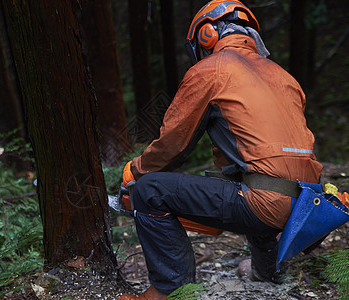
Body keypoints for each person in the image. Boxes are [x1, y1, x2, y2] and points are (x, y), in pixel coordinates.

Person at [118, 1, 323, 299]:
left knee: (149, 190)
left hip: (266, 203)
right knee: (253, 182)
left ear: (206, 35)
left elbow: (175, 143)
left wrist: (136, 170)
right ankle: (267, 270)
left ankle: (168, 290)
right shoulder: (284, 77)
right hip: (307, 204)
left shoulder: (210, 70)